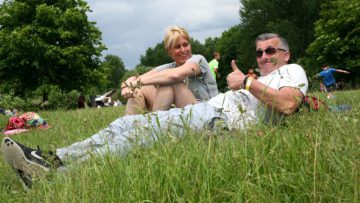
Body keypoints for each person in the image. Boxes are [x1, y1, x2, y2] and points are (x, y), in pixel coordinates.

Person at [1, 33, 308, 189]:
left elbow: (288, 104)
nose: (264, 56)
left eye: (270, 51)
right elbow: (162, 74)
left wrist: (248, 81)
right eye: (259, 52)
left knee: (142, 131)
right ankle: (51, 158)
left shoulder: (293, 71)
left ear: (286, 54)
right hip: (209, 113)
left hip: (218, 119)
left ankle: (59, 177)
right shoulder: (264, 76)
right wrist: (132, 82)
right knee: (126, 126)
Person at [121, 26, 218, 115]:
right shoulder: (169, 67)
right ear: (169, 51)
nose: (183, 50)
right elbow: (137, 79)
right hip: (183, 113)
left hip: (207, 114)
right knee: (140, 88)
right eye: (177, 47)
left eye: (185, 45)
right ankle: (131, 126)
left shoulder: (198, 60)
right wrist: (128, 85)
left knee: (170, 81)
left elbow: (175, 76)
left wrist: (135, 83)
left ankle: (154, 126)